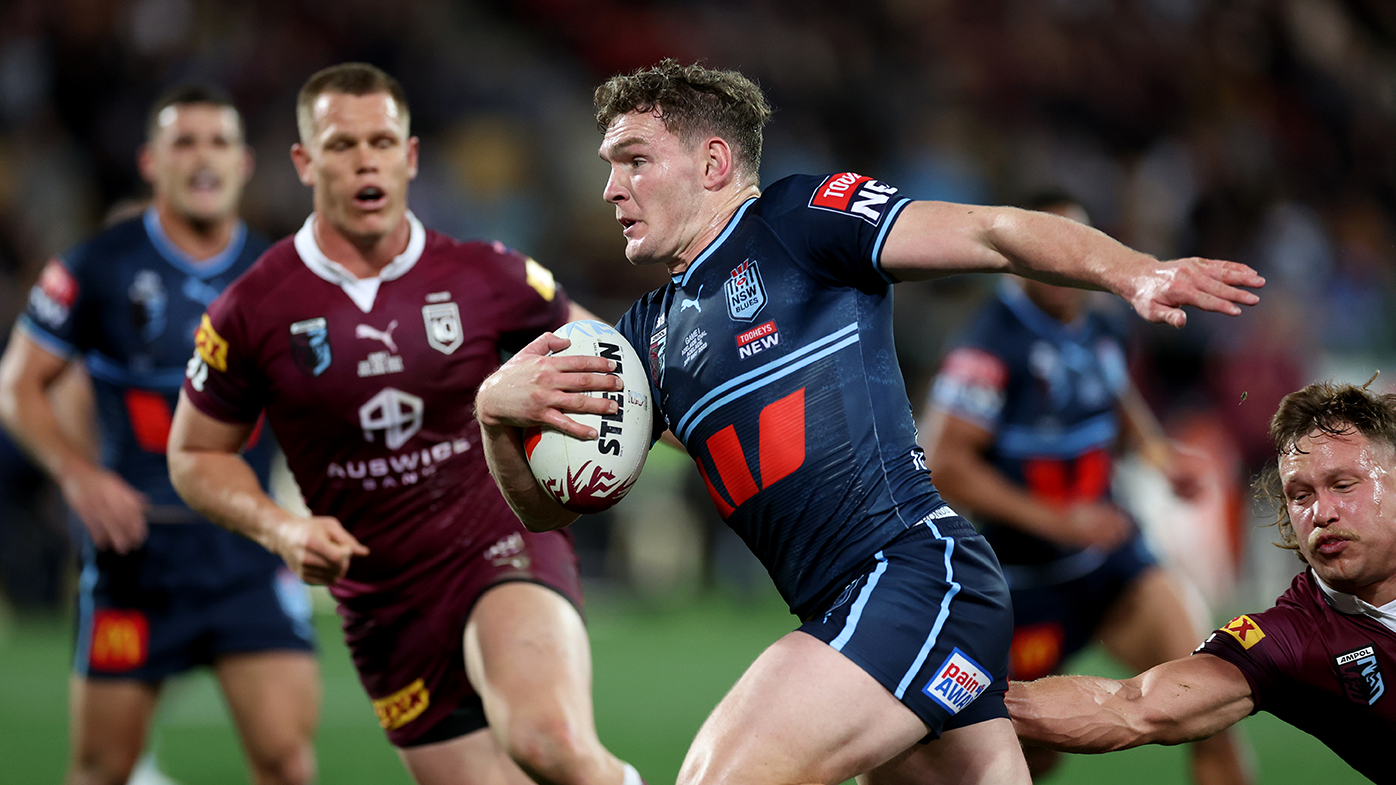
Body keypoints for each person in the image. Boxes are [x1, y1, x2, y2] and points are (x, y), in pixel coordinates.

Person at [473, 59, 1264, 785]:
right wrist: (497, 421)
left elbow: (993, 232)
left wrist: (1136, 271)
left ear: (713, 163)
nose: (611, 187)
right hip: (856, 609)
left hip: (912, 577)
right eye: (610, 165)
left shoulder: (800, 221)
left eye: (635, 160)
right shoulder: (646, 339)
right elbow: (553, 507)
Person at [166, 63, 643, 785]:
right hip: (383, 601)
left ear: (410, 156)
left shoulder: (488, 274)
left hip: (497, 542)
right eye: (341, 144)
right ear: (304, 161)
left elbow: (615, 372)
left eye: (382, 141)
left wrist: (713, 431)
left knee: (548, 741)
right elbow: (195, 454)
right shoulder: (251, 308)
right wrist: (283, 529)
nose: (366, 159)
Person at [0, 85, 319, 785]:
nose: (202, 157)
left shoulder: (284, 274)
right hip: (134, 557)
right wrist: (76, 475)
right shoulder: (97, 265)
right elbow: (16, 384)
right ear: (151, 162)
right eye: (184, 141)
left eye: (217, 143)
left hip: (244, 554)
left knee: (288, 760)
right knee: (101, 767)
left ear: (243, 163)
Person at [917, 193, 1250, 783]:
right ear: (1024, 252)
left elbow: (1115, 401)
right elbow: (945, 464)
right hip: (1021, 589)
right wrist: (1060, 521)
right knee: (1025, 752)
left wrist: (1156, 453)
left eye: (1083, 245)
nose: (1074, 260)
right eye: (1057, 244)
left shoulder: (1100, 327)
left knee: (1211, 702)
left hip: (1111, 564)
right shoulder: (989, 345)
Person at [1006, 380, 1396, 783]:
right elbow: (1132, 704)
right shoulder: (1290, 639)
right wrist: (960, 699)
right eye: (1299, 495)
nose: (1320, 512)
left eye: (1343, 485)